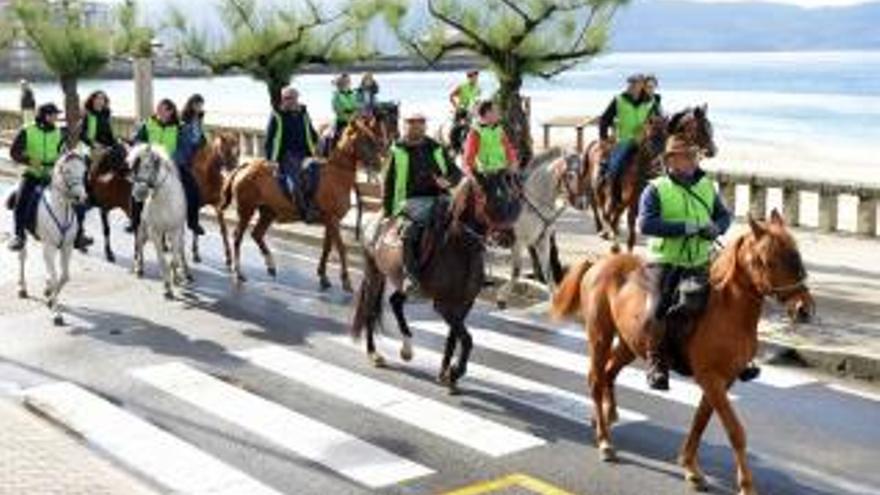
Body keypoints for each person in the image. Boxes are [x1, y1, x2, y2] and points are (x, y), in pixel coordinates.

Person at [637, 135, 733, 390]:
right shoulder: (655, 189)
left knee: (728, 300)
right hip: (665, 261)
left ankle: (736, 356)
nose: (693, 161)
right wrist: (686, 227)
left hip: (701, 259)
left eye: (695, 156)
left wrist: (717, 228)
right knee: (657, 309)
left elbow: (725, 216)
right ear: (671, 160)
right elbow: (645, 224)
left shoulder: (705, 186)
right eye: (688, 156)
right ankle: (656, 363)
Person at [383, 112, 461, 288]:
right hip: (409, 200)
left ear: (425, 127)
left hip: (439, 197)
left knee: (461, 221)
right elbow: (388, 183)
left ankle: (468, 268)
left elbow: (456, 173)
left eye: (420, 124)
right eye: (412, 124)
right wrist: (388, 213)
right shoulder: (397, 150)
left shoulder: (436, 148)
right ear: (406, 127)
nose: (417, 127)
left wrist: (447, 181)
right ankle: (411, 275)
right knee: (411, 230)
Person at [7, 103, 69, 251]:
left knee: (76, 196)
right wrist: (29, 161)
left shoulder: (60, 132)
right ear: (44, 115)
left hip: (54, 174)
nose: (56, 117)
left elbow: (64, 152)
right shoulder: (27, 130)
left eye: (56, 115)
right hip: (33, 174)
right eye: (53, 115)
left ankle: (79, 234)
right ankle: (18, 235)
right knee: (21, 202)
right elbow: (14, 152)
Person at [598, 74, 659, 209]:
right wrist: (603, 138)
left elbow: (657, 121)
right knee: (614, 167)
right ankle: (614, 197)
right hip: (624, 141)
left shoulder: (650, 102)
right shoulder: (619, 100)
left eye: (636, 84)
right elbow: (604, 120)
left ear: (641, 86)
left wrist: (649, 126)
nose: (633, 87)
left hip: (643, 142)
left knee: (659, 167)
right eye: (630, 84)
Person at [265, 86, 320, 222]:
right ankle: (303, 212)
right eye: (286, 99)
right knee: (295, 183)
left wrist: (318, 141)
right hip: (286, 155)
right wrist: (271, 160)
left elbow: (310, 131)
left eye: (292, 98)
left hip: (305, 153)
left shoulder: (303, 113)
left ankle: (314, 204)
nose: (289, 101)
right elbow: (269, 138)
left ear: (297, 99)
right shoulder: (276, 115)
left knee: (317, 176)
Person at [127, 99, 180, 233]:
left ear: (170, 111)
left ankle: (189, 220)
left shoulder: (179, 127)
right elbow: (138, 140)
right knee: (138, 189)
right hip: (149, 164)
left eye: (162, 109)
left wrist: (173, 159)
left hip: (169, 164)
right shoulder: (148, 124)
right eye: (157, 109)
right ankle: (135, 222)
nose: (158, 112)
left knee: (189, 187)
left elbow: (181, 147)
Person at [175, 94, 207, 236]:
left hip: (195, 157)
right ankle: (192, 222)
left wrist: (203, 141)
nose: (199, 107)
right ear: (191, 104)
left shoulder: (198, 119)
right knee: (193, 191)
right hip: (183, 160)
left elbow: (199, 136)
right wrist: (195, 145)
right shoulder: (183, 120)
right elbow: (185, 141)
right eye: (197, 104)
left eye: (201, 105)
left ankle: (192, 220)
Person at [462, 100, 518, 177]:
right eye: (496, 111)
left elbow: (508, 148)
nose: (499, 113)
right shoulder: (475, 133)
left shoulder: (499, 130)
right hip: (486, 174)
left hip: (502, 170)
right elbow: (468, 158)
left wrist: (513, 161)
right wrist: (472, 175)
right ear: (488, 113)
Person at [331, 73, 360, 144]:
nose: (346, 83)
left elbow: (357, 106)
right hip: (342, 122)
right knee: (337, 139)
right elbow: (338, 109)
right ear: (340, 83)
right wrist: (349, 114)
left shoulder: (354, 94)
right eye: (344, 81)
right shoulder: (336, 95)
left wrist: (355, 113)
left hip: (355, 121)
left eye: (348, 81)